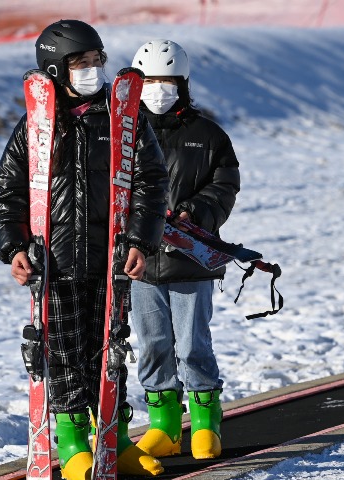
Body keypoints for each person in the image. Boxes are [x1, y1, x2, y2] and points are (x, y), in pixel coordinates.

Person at [0, 20, 168, 480]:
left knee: (109, 352)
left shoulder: (123, 117)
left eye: (97, 60)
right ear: (55, 68)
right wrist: (12, 248)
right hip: (55, 264)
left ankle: (115, 437)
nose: (93, 70)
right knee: (64, 355)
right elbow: (8, 193)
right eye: (81, 63)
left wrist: (139, 240)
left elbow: (151, 181)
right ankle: (72, 444)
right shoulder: (36, 127)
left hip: (111, 261)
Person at [128, 39, 240, 460]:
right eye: (150, 80)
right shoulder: (119, 132)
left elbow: (225, 184)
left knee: (192, 344)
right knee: (153, 343)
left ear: (183, 83)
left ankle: (206, 424)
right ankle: (165, 426)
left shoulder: (208, 134)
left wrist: (196, 211)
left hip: (190, 257)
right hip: (139, 261)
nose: (159, 88)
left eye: (167, 80)